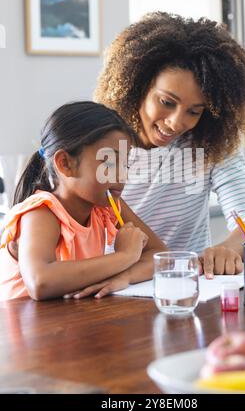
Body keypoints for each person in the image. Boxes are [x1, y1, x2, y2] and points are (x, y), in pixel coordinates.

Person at [94, 11, 245, 278]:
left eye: (194, 111)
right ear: (138, 86)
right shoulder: (99, 143)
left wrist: (227, 249)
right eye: (167, 102)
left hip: (189, 289)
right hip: (115, 287)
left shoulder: (212, 143)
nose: (176, 122)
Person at [0, 101, 167, 301]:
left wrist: (126, 276)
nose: (122, 175)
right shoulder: (42, 212)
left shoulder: (107, 206)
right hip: (31, 328)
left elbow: (161, 256)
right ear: (65, 164)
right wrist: (124, 257)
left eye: (125, 164)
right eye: (110, 162)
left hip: (69, 324)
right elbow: (39, 281)